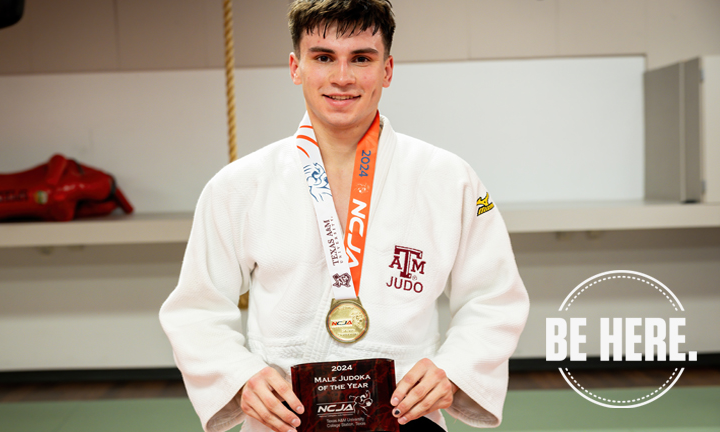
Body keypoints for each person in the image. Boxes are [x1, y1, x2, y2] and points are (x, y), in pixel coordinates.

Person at [159, 1, 529, 431]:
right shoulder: (238, 185)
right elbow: (196, 308)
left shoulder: (450, 179)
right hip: (285, 416)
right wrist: (241, 378)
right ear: (296, 67)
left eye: (361, 58)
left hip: (403, 414)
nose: (342, 78)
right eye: (323, 57)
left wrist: (454, 369)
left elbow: (493, 296)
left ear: (387, 70)